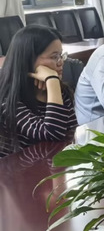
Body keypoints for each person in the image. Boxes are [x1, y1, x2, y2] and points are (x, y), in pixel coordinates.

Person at [0, 25, 77, 158]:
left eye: (61, 55)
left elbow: (70, 135)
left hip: (50, 163)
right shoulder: (7, 98)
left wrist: (53, 84)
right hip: (18, 168)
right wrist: (52, 80)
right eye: (54, 57)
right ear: (28, 60)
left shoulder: (60, 91)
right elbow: (52, 134)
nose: (61, 62)